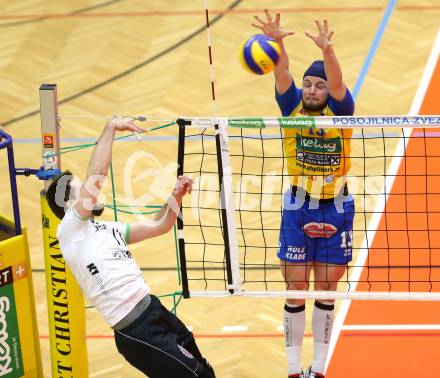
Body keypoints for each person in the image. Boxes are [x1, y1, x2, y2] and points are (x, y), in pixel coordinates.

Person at [45, 117, 215, 378]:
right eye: (83, 190)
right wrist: (111, 126)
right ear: (69, 205)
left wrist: (175, 195)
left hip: (154, 310)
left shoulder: (108, 229)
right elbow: (97, 176)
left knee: (205, 371)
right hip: (136, 332)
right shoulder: (70, 231)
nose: (94, 193)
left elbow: (159, 225)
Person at [252, 11, 355, 378]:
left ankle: (321, 369)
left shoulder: (342, 111)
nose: (312, 89)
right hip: (297, 205)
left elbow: (340, 82)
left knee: (326, 288)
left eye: (319, 85)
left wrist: (328, 51)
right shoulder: (291, 105)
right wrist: (276, 42)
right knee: (296, 288)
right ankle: (294, 371)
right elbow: (282, 75)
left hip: (337, 206)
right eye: (308, 84)